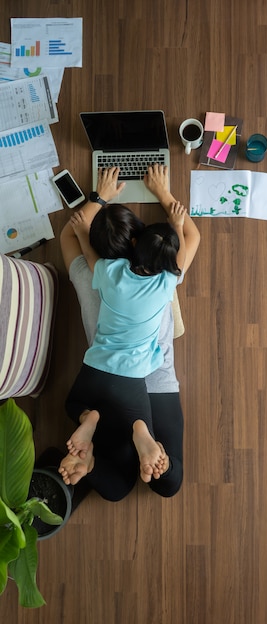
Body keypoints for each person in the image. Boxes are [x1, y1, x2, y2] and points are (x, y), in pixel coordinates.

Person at [58, 165, 200, 499]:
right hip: (155, 381)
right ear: (138, 241)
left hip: (108, 386)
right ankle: (145, 442)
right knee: (168, 483)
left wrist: (98, 198)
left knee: (117, 487)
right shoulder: (165, 276)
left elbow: (69, 233)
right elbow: (192, 237)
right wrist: (163, 193)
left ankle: (91, 463)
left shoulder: (88, 273)